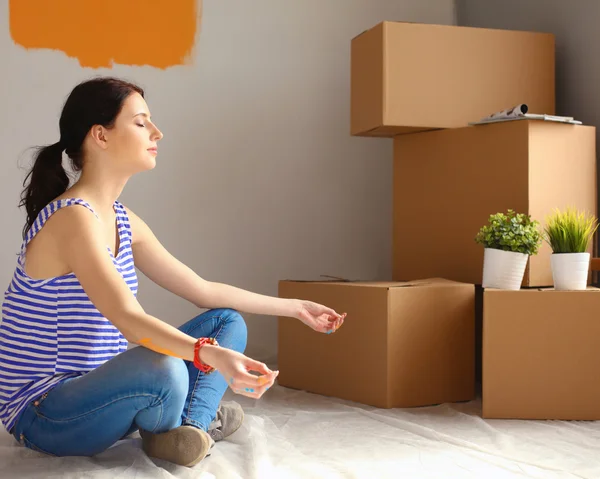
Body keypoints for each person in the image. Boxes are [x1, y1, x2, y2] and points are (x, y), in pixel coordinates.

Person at [0, 77, 346, 467]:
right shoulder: (73, 219)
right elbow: (131, 322)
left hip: (99, 391)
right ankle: (186, 422)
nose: (157, 132)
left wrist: (296, 307)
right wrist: (212, 356)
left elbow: (203, 290)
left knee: (226, 323)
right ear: (101, 135)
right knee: (163, 366)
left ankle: (188, 430)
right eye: (141, 122)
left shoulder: (121, 219)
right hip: (46, 413)